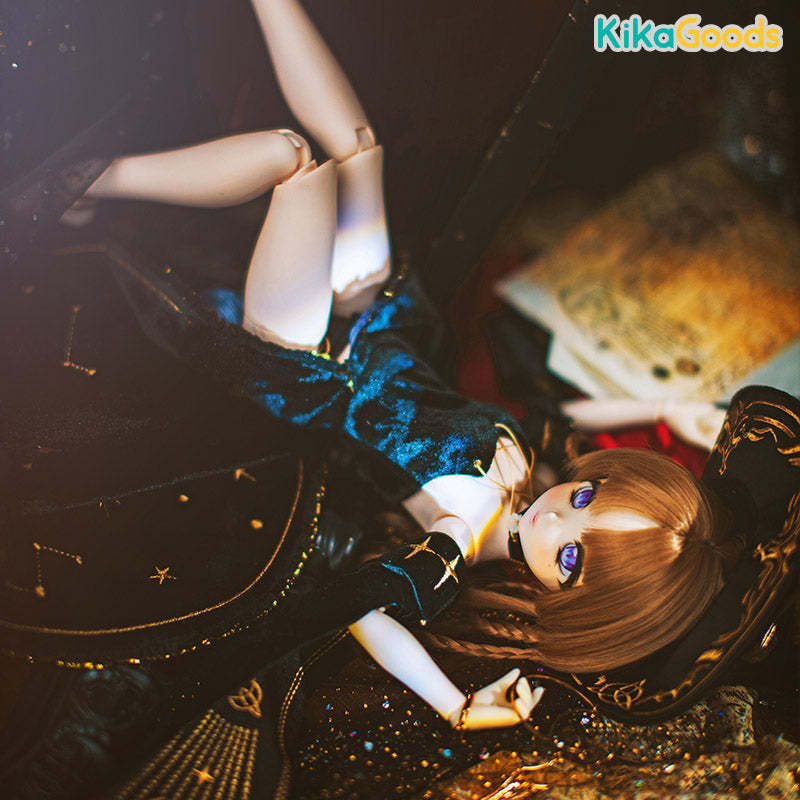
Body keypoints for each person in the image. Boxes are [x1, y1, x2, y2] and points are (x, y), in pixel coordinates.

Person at [68, 0, 735, 733]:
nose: (557, 515)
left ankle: (78, 182)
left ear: (568, 599)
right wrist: (665, 410)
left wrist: (456, 706)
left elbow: (367, 611)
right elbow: (564, 415)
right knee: (358, 147)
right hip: (375, 317)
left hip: (308, 364)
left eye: (570, 557)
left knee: (292, 160)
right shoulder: (533, 467)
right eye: (585, 498)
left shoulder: (464, 532)